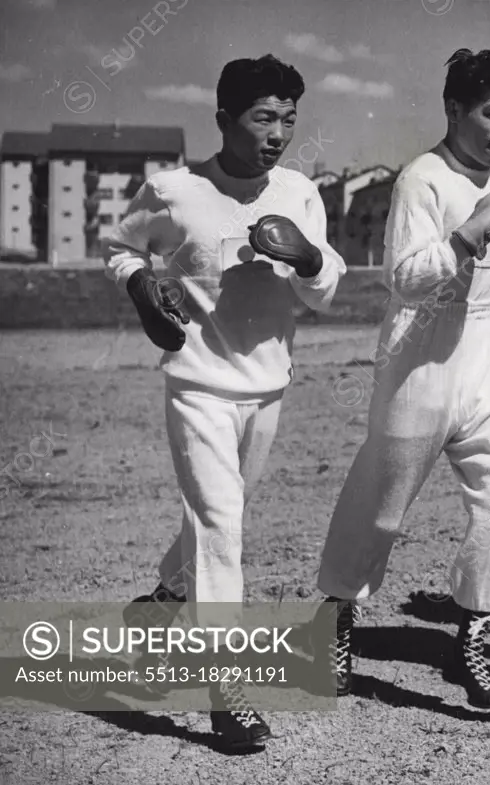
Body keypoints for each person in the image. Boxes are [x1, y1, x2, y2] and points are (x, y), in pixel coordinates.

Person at [106, 54, 345, 749]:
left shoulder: (300, 191)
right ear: (224, 121)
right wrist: (141, 286)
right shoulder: (174, 190)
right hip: (197, 383)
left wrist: (307, 258)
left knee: (220, 518)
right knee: (221, 527)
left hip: (268, 386)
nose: (278, 132)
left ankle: (161, 605)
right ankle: (224, 687)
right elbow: (119, 246)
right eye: (263, 117)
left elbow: (325, 289)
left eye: (289, 119)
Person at [315, 49, 490, 710]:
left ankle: (471, 633)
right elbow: (404, 279)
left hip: (486, 358)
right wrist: (468, 233)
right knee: (382, 511)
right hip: (419, 354)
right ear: (454, 109)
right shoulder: (423, 177)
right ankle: (335, 614)